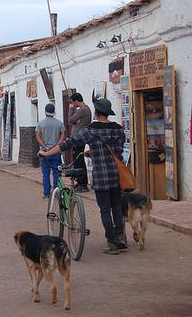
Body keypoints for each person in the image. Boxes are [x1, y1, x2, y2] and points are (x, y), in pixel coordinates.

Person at [39, 98, 127, 255]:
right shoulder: (118, 129)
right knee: (116, 206)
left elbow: (68, 143)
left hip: (101, 176)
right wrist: (92, 152)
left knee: (105, 209)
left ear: (96, 112)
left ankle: (112, 242)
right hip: (116, 175)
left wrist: (47, 152)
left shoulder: (90, 130)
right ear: (108, 113)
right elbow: (117, 152)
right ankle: (121, 238)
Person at [35, 103, 66, 200]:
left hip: (44, 152)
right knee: (56, 173)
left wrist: (45, 146)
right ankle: (57, 193)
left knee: (46, 174)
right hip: (56, 152)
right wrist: (57, 145)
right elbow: (63, 135)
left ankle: (46, 193)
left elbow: (37, 137)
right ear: (54, 112)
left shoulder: (40, 124)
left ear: (45, 112)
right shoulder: (59, 123)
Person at [68, 92, 92, 192]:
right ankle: (80, 181)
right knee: (78, 160)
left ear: (76, 101)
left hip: (79, 138)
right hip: (81, 137)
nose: (73, 103)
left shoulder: (82, 110)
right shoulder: (86, 109)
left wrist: (71, 108)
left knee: (79, 160)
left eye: (73, 102)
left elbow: (70, 119)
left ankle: (83, 183)